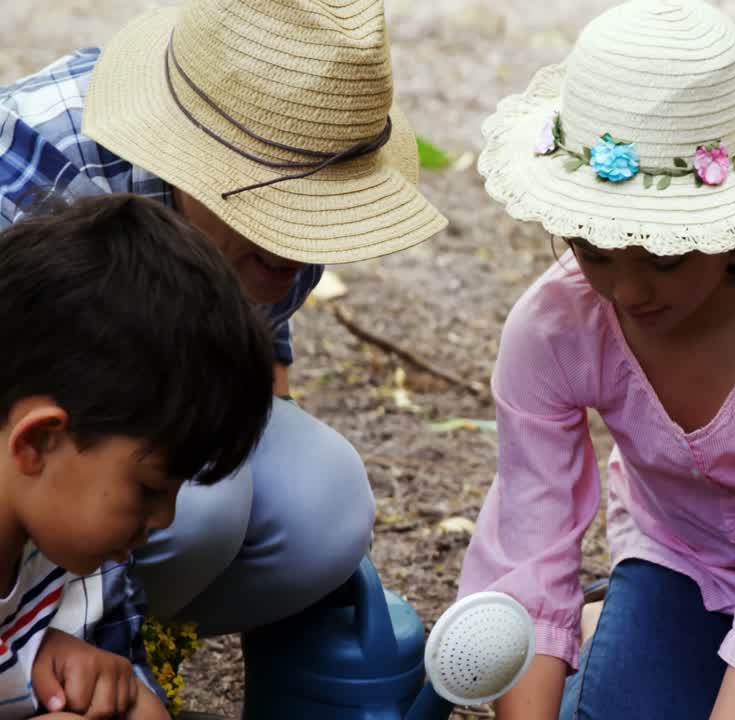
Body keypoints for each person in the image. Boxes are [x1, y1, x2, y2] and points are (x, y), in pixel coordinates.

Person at [417, 2, 735, 719]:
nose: (627, 291)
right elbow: (531, 546)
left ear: (734, 227)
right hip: (677, 548)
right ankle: (622, 624)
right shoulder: (556, 324)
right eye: (593, 249)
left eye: (663, 255)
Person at [0, 0, 449, 645]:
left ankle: (123, 636)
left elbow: (260, 360)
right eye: (274, 206)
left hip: (103, 454)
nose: (295, 256)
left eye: (319, 210)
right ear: (190, 160)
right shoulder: (33, 174)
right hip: (40, 458)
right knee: (203, 505)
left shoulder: (305, 158)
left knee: (321, 507)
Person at [0, 193, 275, 718]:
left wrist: (99, 673)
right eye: (150, 488)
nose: (165, 519)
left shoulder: (58, 551)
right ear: (37, 442)